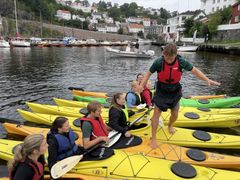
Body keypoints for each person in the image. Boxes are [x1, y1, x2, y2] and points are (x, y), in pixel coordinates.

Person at [140, 43, 220, 149]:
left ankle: (170, 125)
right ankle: (154, 138)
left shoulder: (181, 62)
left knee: (175, 114)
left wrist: (207, 80)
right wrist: (141, 85)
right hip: (161, 90)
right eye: (166, 58)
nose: (168, 60)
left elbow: (195, 71)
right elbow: (148, 73)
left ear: (176, 55)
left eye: (171, 58)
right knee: (156, 114)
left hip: (175, 90)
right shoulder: (158, 62)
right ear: (163, 54)